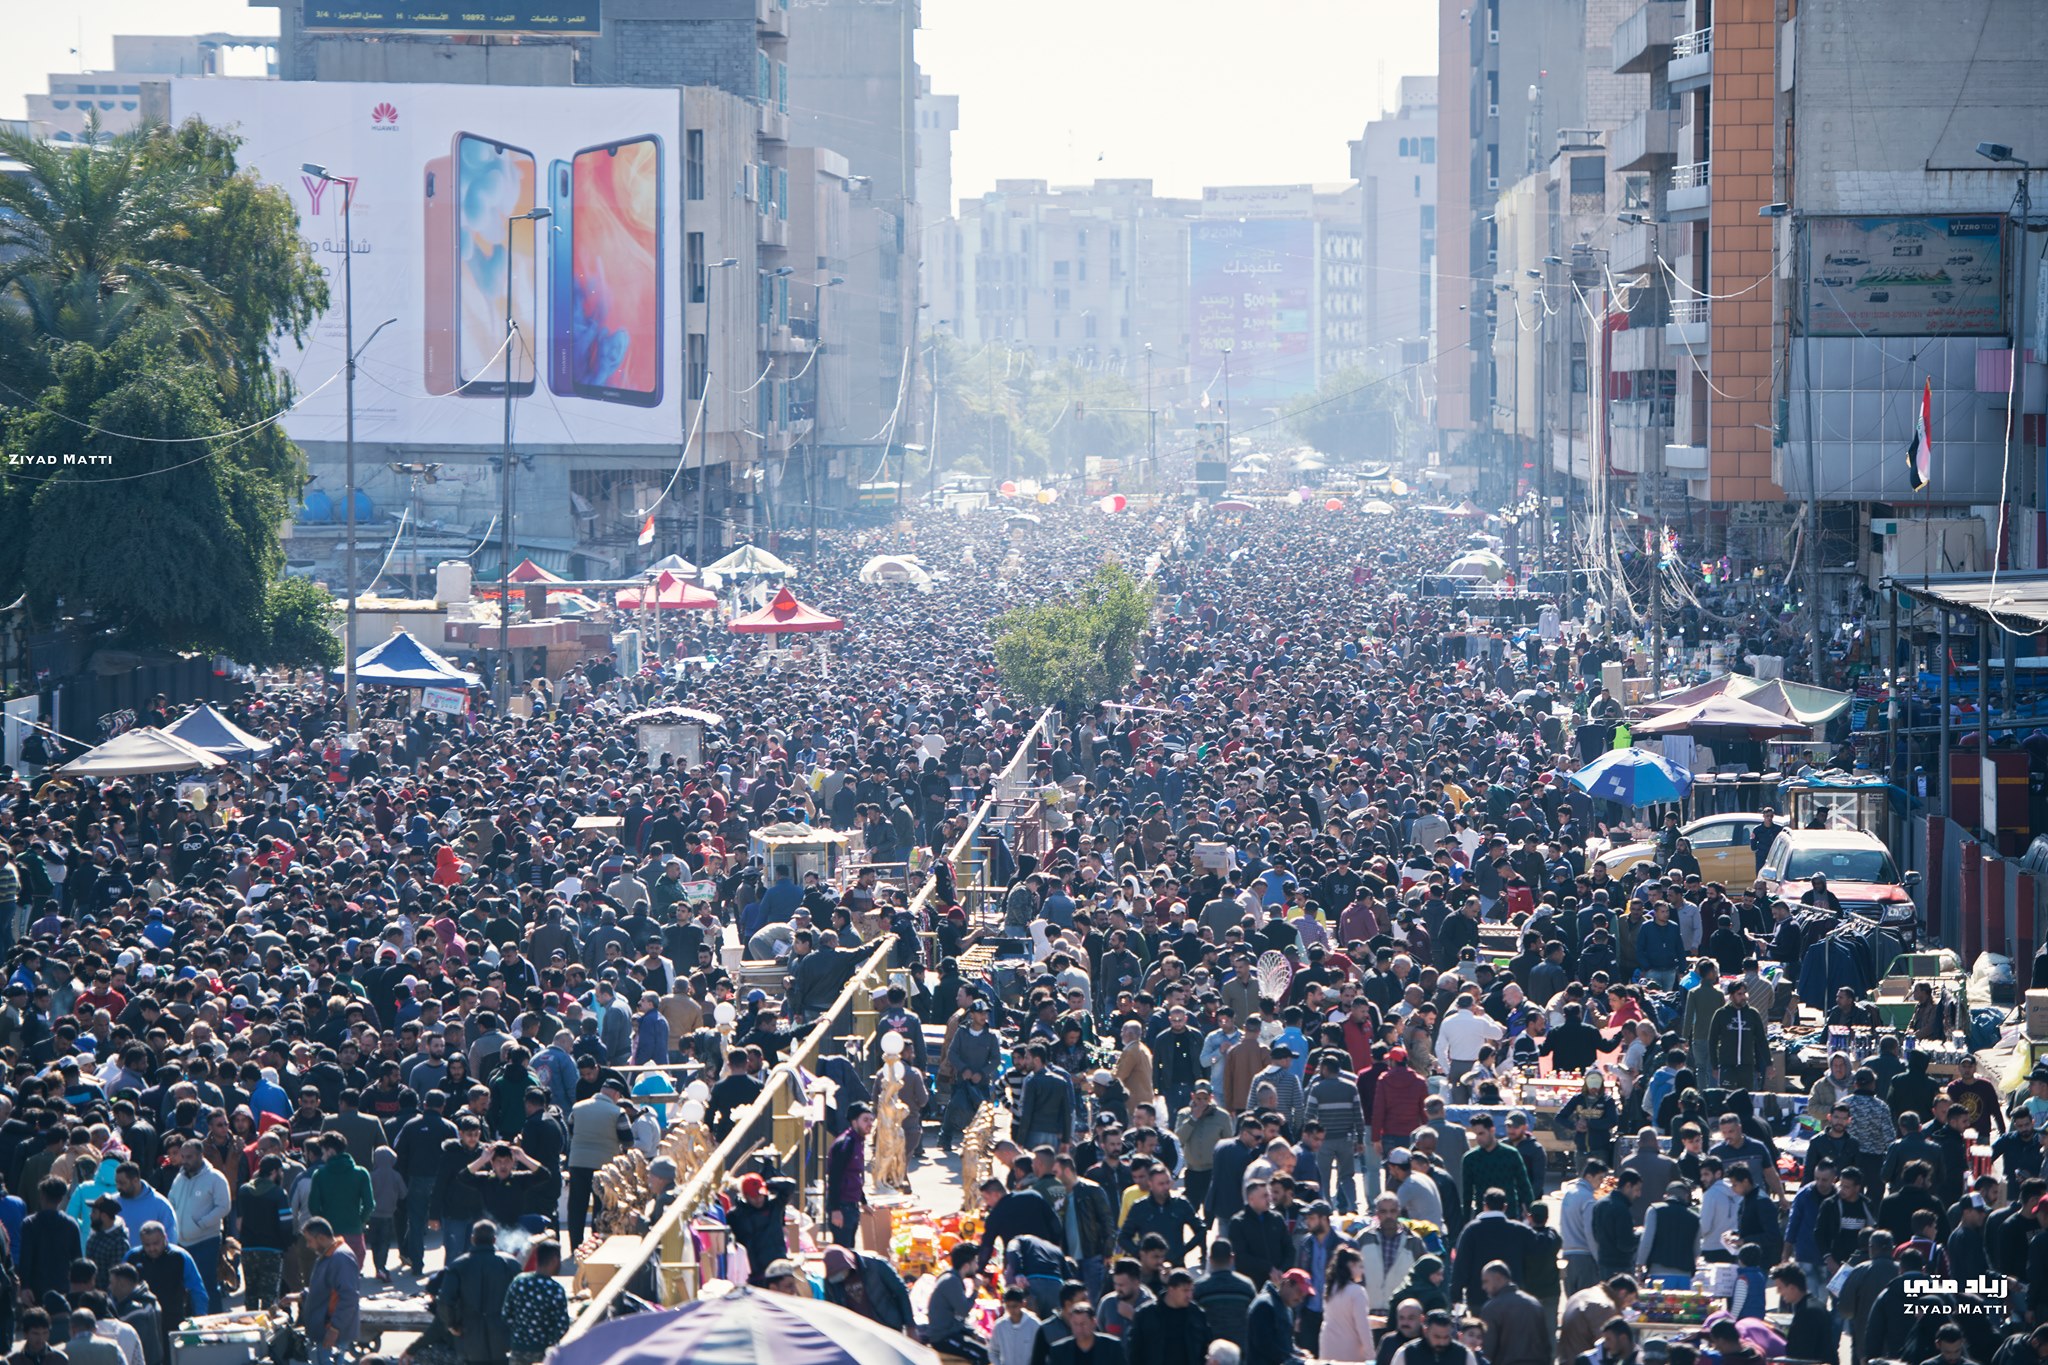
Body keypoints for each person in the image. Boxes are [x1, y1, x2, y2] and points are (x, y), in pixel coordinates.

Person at [437, 1221, 521, 1365]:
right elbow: (522, 1299)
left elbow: (445, 1300)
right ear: (494, 1240)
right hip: (503, 1334)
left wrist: (452, 1325)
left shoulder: (458, 1265)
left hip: (469, 1335)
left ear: (472, 1239)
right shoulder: (510, 1264)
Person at [295, 1218, 360, 1365]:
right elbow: (325, 1290)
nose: (308, 1245)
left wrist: (335, 1329)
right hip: (327, 1328)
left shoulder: (340, 1258)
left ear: (321, 1238)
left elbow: (349, 1297)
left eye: (309, 1241)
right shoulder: (329, 1255)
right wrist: (300, 1296)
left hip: (333, 1330)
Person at [821, 1245, 916, 1335]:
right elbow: (832, 1308)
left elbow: (901, 1292)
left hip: (887, 1328)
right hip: (857, 1334)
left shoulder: (876, 1266)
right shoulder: (831, 1281)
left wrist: (910, 1326)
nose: (840, 1276)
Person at [503, 1240, 571, 1365]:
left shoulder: (519, 1281)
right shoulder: (555, 1289)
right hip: (543, 1353)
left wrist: (520, 1334)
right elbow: (562, 1326)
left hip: (518, 1350)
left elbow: (507, 1315)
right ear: (555, 1260)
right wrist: (550, 1341)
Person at [1123, 1268, 1210, 1365]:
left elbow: (1205, 1347)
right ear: (1171, 1290)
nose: (1189, 1295)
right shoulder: (1146, 1315)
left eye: (1191, 1290)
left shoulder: (1196, 1314)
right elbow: (1134, 1351)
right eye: (1185, 1290)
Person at [929, 1244, 992, 1364]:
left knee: (986, 1349)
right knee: (982, 1356)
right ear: (966, 1266)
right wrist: (975, 1290)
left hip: (952, 1332)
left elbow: (959, 1317)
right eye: (975, 1262)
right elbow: (963, 1311)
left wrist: (974, 1333)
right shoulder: (951, 1281)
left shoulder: (954, 1279)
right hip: (943, 1337)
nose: (977, 1266)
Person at [1477, 1262, 1548, 1365]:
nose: (1483, 1287)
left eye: (1486, 1281)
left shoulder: (1492, 1308)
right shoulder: (1534, 1303)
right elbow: (1546, 1345)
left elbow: (1487, 1350)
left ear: (1498, 1277)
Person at [826, 1104, 876, 1248]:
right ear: (854, 1122)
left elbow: (855, 1176)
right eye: (865, 1120)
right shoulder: (846, 1144)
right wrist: (835, 1210)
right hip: (842, 1207)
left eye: (871, 1120)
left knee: (850, 1250)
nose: (870, 1124)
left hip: (851, 1206)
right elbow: (834, 1178)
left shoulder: (858, 1142)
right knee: (843, 1252)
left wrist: (863, 1202)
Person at [1244, 1269, 1310, 1365]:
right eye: (1299, 1291)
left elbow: (1286, 1343)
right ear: (1286, 1284)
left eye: (1304, 1295)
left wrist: (1298, 1352)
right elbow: (1265, 1345)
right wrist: (1295, 1359)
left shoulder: (1287, 1309)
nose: (1301, 1299)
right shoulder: (1264, 1305)